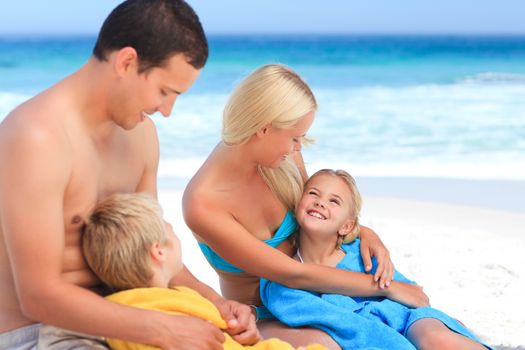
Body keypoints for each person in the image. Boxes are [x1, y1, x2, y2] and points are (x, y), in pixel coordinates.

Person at [0, 1, 257, 349]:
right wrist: (164, 329)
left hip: (133, 315)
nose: (166, 111)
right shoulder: (36, 137)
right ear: (126, 62)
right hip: (41, 333)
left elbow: (153, 248)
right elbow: (38, 295)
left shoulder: (141, 137)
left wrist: (217, 303)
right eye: (165, 92)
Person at [182, 64, 428, 349]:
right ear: (264, 128)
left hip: (324, 295)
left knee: (412, 329)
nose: (298, 148)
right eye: (295, 137)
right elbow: (291, 272)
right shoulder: (203, 203)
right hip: (264, 316)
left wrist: (366, 233)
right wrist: (388, 288)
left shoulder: (280, 157)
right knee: (330, 343)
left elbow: (320, 210)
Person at [38, 192, 323, 350]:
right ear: (158, 251)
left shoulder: (118, 313)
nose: (173, 228)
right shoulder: (184, 302)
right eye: (166, 225)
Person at [260, 169, 491, 350]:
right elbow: (344, 326)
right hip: (368, 337)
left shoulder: (362, 253)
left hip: (408, 319)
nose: (320, 202)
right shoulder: (282, 279)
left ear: (347, 226)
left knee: (439, 340)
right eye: (313, 193)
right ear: (297, 204)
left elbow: (416, 297)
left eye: (334, 201)